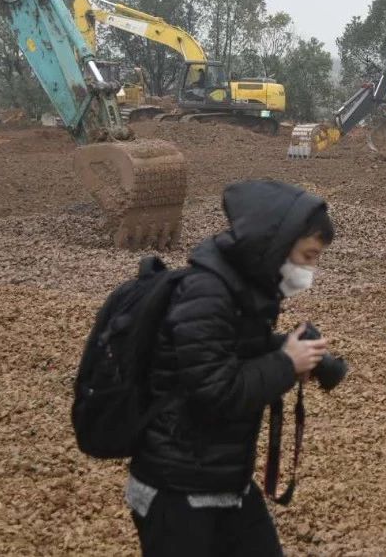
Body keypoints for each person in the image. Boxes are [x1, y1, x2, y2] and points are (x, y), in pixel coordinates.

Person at [127, 180, 335, 556]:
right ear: (275, 247)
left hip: (221, 478)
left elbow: (230, 351)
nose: (310, 271)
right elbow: (212, 391)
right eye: (308, 256)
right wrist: (286, 362)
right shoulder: (208, 293)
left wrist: (283, 348)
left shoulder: (243, 290)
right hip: (176, 489)